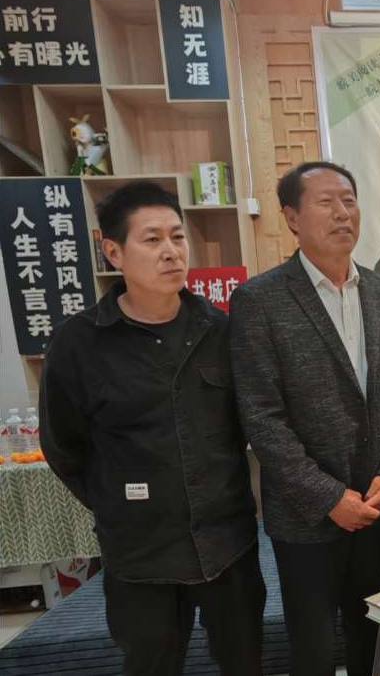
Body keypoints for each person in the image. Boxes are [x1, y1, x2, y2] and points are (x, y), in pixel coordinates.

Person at [40, 181, 263, 676]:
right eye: (152, 239)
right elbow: (64, 448)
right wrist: (121, 503)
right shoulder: (78, 344)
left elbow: (245, 426)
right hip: (140, 556)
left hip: (227, 545)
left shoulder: (220, 330)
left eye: (177, 237)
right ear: (113, 252)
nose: (171, 251)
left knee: (245, 663)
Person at [229, 161, 380, 676]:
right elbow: (261, 417)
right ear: (291, 217)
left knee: (373, 638)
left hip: (375, 505)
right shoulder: (259, 300)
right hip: (306, 516)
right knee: (312, 647)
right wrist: (328, 497)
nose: (342, 214)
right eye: (326, 202)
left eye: (349, 201)